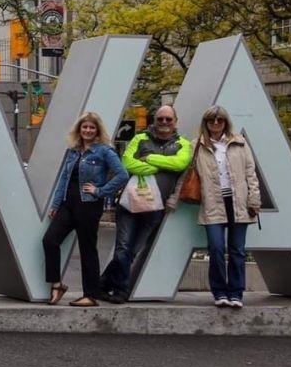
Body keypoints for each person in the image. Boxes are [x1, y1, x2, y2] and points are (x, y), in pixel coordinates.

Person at [167, 106, 261, 308]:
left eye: (220, 120)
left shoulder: (239, 143)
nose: (216, 124)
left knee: (237, 251)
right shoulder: (197, 145)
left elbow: (251, 174)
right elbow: (187, 174)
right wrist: (174, 198)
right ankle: (219, 292)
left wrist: (254, 199)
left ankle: (236, 293)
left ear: (226, 122)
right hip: (212, 203)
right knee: (216, 248)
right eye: (211, 121)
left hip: (238, 204)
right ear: (206, 123)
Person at [99, 105, 192, 303]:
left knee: (133, 250)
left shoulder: (183, 143)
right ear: (154, 120)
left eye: (168, 119)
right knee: (123, 247)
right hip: (129, 203)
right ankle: (121, 291)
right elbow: (126, 162)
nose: (164, 122)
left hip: (156, 207)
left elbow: (181, 164)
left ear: (175, 121)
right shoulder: (139, 138)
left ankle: (103, 284)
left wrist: (148, 158)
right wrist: (159, 165)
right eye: (161, 119)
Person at [41, 111, 129, 307]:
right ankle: (57, 284)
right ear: (79, 130)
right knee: (50, 240)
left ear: (97, 130)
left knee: (87, 249)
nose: (88, 130)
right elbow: (64, 179)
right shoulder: (73, 151)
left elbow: (122, 174)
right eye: (85, 127)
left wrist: (100, 191)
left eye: (91, 127)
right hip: (68, 204)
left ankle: (90, 295)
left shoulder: (104, 151)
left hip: (89, 205)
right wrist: (56, 204)